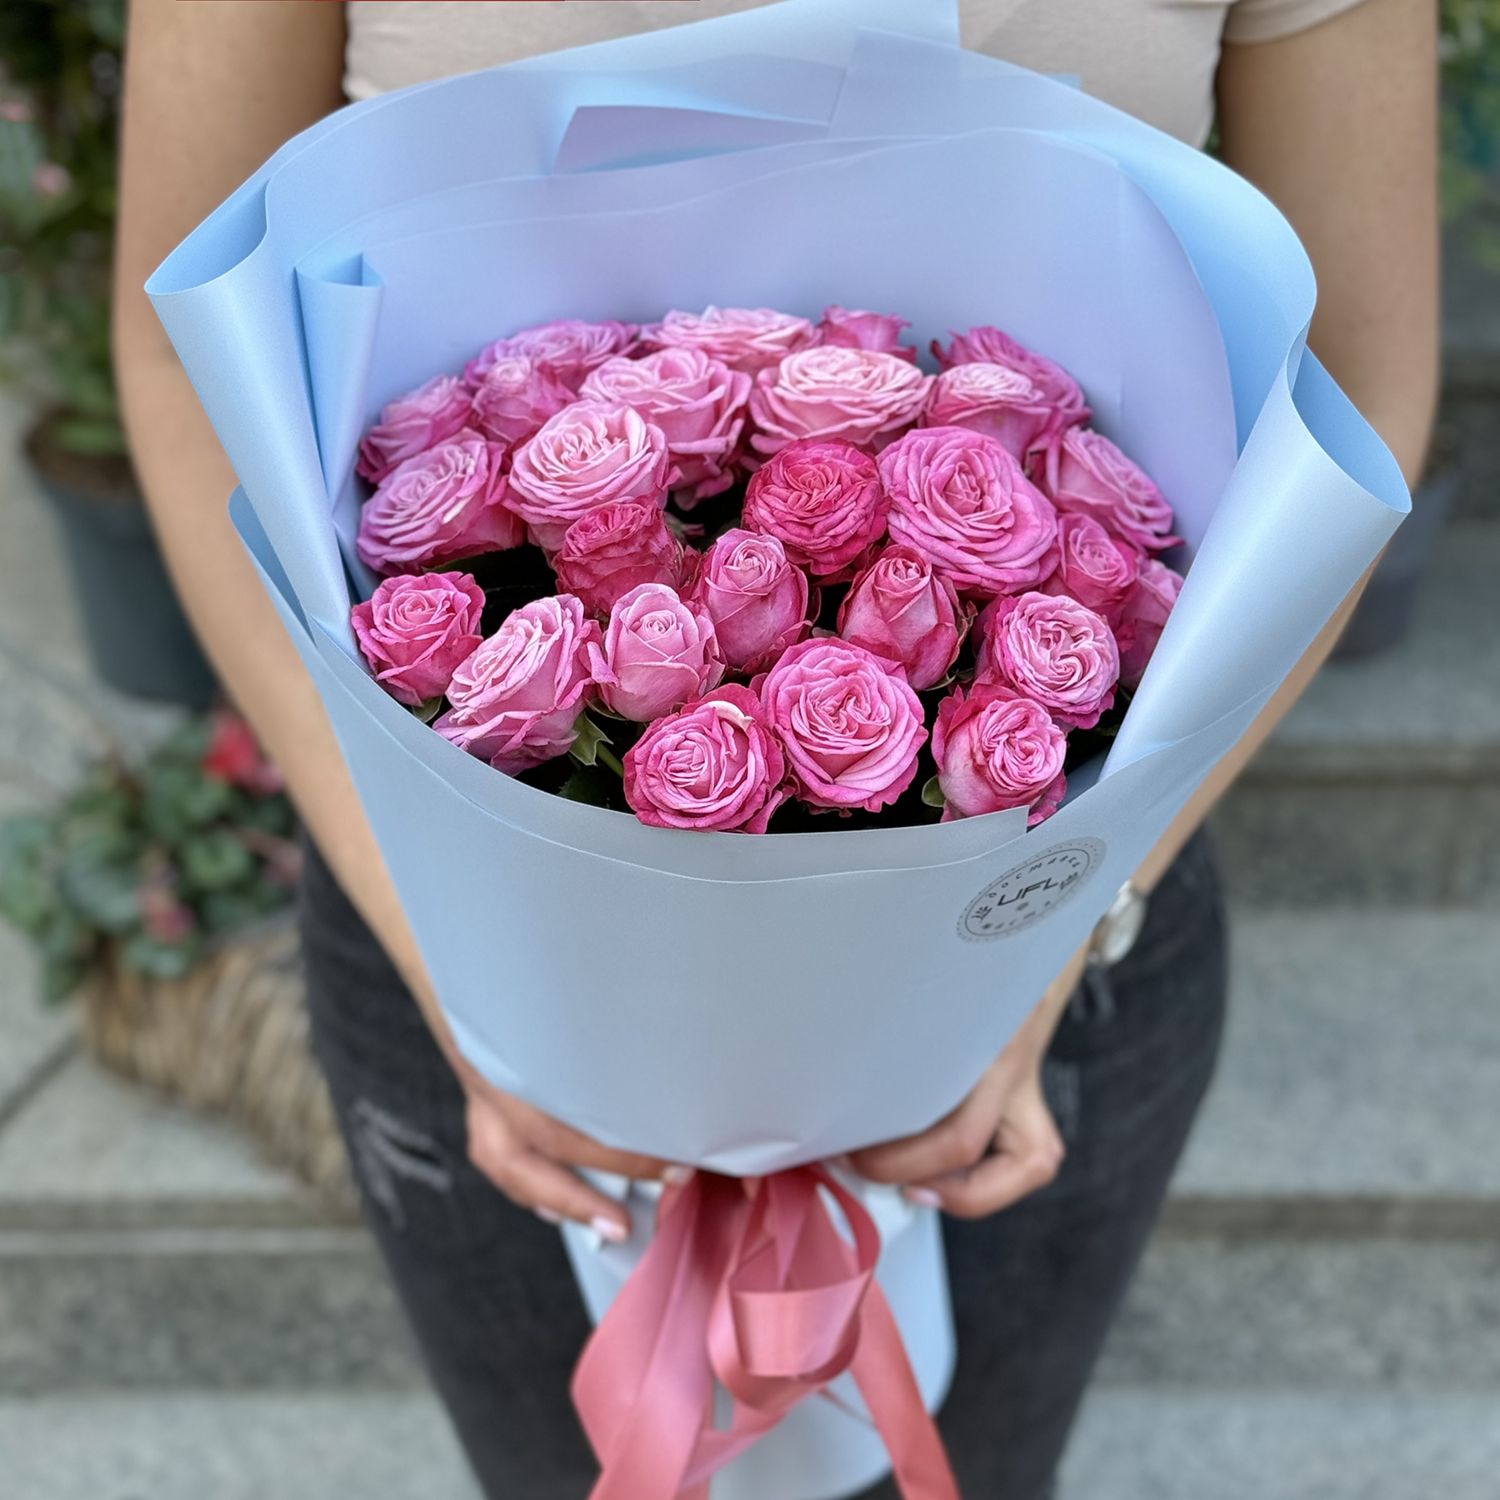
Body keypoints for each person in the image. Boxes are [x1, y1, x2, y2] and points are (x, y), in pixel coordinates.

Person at [114, 3, 1438, 1495]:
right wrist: (464, 963)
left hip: (1054, 941)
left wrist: (1060, 915)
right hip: (470, 956)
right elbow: (179, 359)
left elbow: (1355, 403)